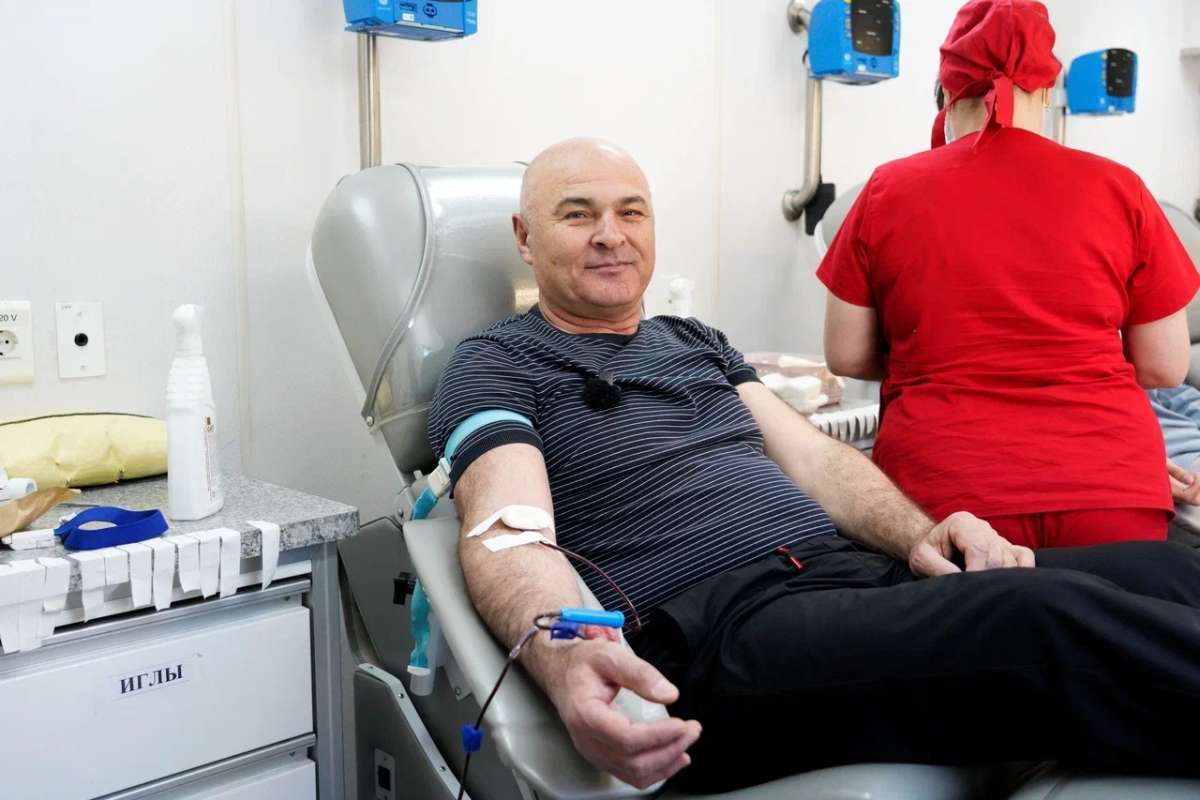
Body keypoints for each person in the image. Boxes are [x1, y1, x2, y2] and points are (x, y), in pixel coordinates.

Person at [428, 135, 1200, 793]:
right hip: (719, 637)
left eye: (631, 212)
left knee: (1167, 570)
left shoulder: (693, 341)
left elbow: (815, 461)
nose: (611, 235)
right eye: (578, 215)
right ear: (524, 237)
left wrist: (920, 536)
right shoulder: (498, 362)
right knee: (1033, 617)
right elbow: (507, 533)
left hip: (845, 582)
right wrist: (567, 657)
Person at [819, 0, 1199, 550]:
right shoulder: (1121, 188)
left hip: (949, 499)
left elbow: (848, 356)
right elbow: (1165, 366)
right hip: (1111, 489)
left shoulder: (886, 190)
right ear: (1045, 90)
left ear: (947, 93)